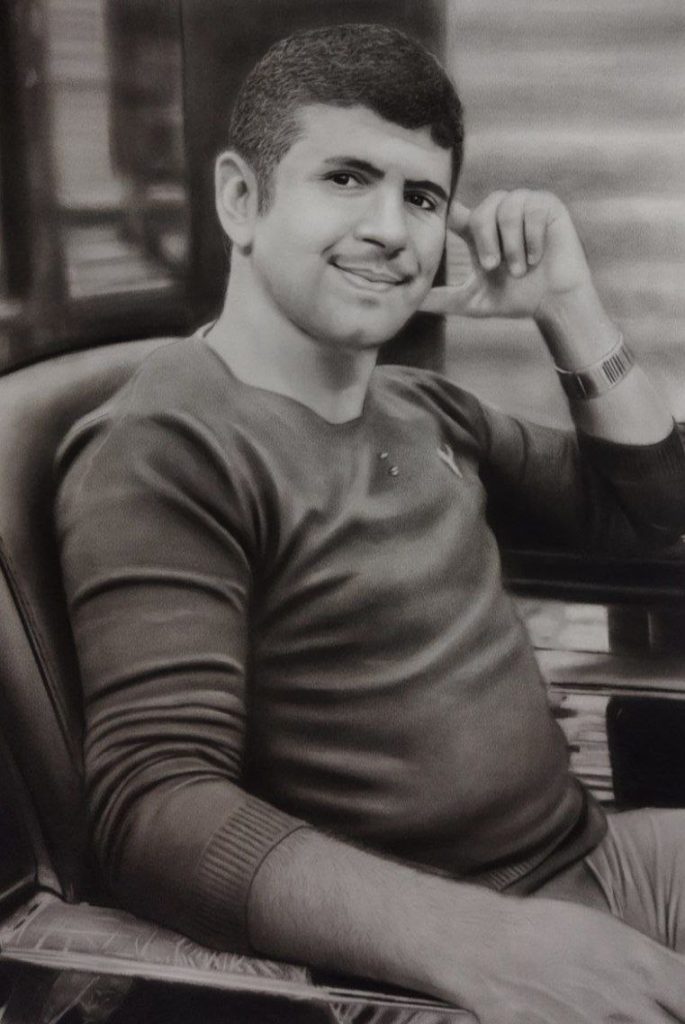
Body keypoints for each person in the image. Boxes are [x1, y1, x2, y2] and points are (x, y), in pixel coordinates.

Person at [55, 23, 685, 1024]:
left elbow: (654, 514)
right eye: (346, 179)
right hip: (438, 953)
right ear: (240, 198)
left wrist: (567, 305)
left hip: (599, 859)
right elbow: (153, 805)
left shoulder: (419, 404)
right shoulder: (167, 437)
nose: (391, 230)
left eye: (422, 197)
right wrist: (484, 944)